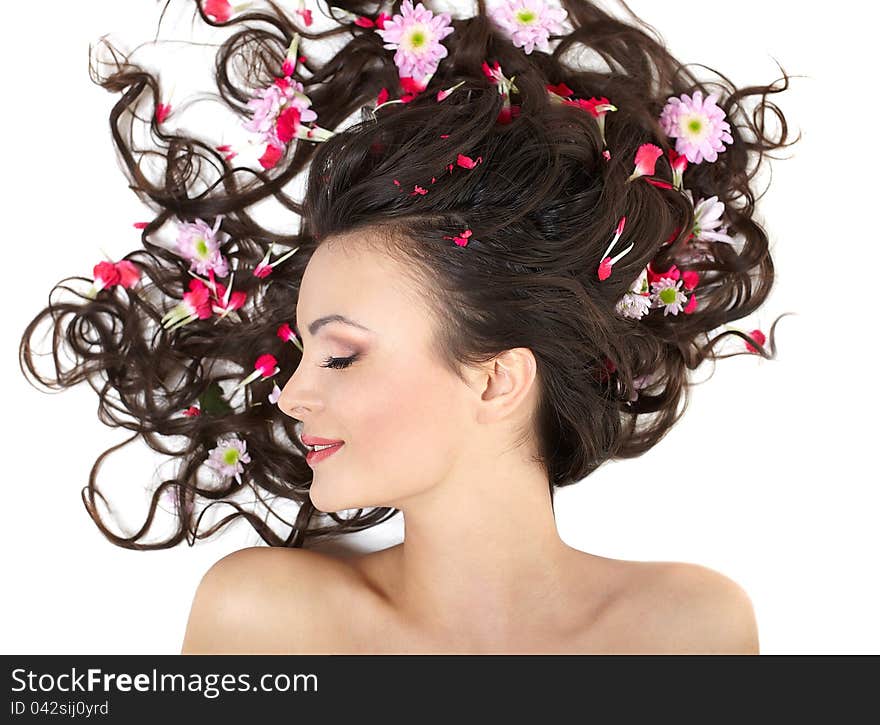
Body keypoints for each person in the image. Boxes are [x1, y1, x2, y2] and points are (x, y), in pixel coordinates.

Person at [20, 0, 796, 653]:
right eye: (304, 355)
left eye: (342, 356)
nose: (291, 396)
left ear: (497, 379)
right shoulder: (265, 622)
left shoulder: (689, 632)